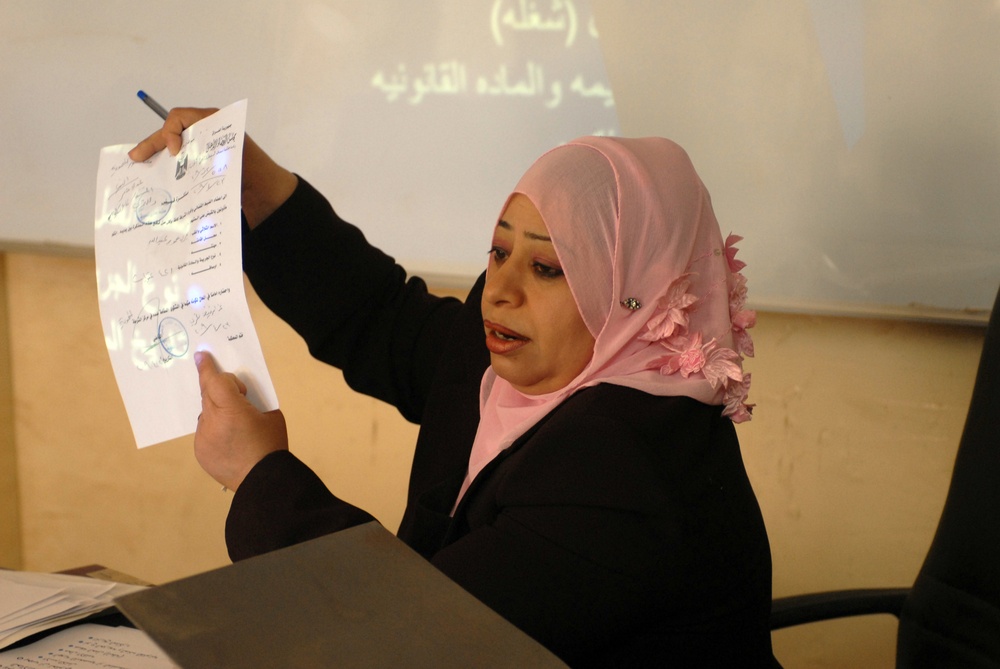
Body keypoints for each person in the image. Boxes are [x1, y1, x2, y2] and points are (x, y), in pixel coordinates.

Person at [130, 111, 778, 667]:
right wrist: (263, 194)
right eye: (498, 252)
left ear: (633, 293)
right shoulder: (519, 351)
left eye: (548, 267)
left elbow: (413, 640)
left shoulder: (624, 464)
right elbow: (383, 320)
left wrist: (259, 473)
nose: (501, 289)